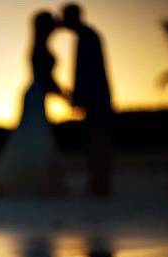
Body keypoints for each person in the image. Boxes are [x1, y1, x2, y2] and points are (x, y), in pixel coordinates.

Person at [0, 11, 70, 195]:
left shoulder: (40, 45)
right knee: (34, 135)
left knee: (34, 134)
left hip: (37, 93)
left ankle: (38, 178)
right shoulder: (39, 48)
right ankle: (34, 179)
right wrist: (64, 95)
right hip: (36, 93)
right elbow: (46, 78)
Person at [59, 3, 114, 197]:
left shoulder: (87, 37)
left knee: (97, 140)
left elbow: (88, 72)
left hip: (96, 99)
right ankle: (98, 182)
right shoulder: (87, 35)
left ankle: (100, 184)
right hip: (96, 98)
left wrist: (80, 97)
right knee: (95, 140)